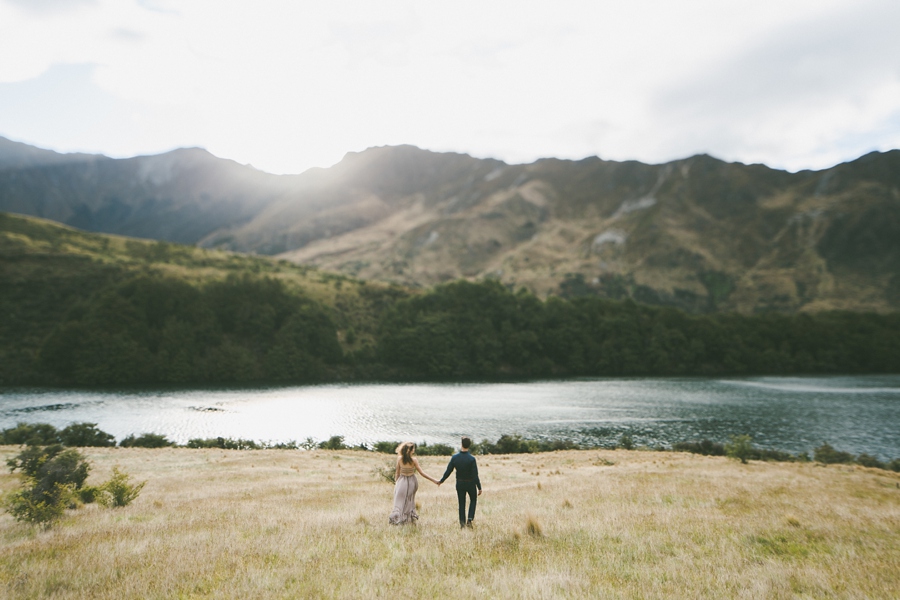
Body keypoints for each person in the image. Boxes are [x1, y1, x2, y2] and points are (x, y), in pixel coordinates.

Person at [388, 442, 439, 525]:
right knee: (409, 500)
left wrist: (397, 483)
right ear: (410, 450)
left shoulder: (400, 459)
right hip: (411, 481)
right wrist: (434, 480)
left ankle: (399, 519)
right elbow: (422, 473)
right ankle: (407, 519)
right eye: (413, 449)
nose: (414, 450)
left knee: (400, 500)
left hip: (402, 481)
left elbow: (397, 473)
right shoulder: (413, 460)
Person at [438, 436, 482, 528]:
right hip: (470, 483)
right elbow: (475, 475)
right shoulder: (472, 459)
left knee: (461, 503)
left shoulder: (455, 458)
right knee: (473, 500)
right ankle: (469, 519)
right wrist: (479, 487)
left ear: (461, 444)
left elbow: (448, 471)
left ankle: (462, 524)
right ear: (469, 445)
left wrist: (442, 480)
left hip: (460, 483)